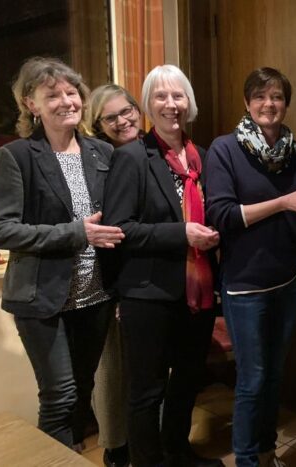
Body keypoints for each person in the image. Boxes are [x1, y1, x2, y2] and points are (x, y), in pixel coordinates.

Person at [0, 57, 124, 449]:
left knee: (82, 393)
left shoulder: (102, 152)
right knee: (59, 397)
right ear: (31, 104)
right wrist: (75, 233)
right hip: (41, 299)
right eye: (53, 95)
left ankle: (72, 454)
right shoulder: (16, 157)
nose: (66, 101)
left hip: (94, 297)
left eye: (71, 92)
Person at [101, 64, 222, 467]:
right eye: (161, 97)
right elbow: (121, 229)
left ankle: (178, 451)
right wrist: (181, 233)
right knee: (146, 391)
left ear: (189, 102)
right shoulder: (132, 157)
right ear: (148, 105)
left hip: (197, 293)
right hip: (148, 293)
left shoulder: (200, 157)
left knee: (187, 382)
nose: (171, 104)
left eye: (178, 96)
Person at [204, 67, 296, 467]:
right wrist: (284, 203)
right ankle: (247, 460)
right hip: (244, 284)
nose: (270, 104)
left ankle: (267, 453)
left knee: (273, 375)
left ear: (286, 103)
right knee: (251, 380)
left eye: (278, 97)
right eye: (261, 96)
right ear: (247, 103)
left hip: (288, 277)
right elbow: (221, 215)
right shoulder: (224, 149)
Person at [88, 83, 143, 467]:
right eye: (112, 117)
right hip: (108, 281)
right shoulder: (100, 162)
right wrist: (120, 288)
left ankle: (141, 444)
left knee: (142, 373)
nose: (123, 120)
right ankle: (115, 450)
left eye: (127, 111)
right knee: (111, 371)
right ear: (98, 125)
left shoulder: (149, 153)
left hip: (145, 281)